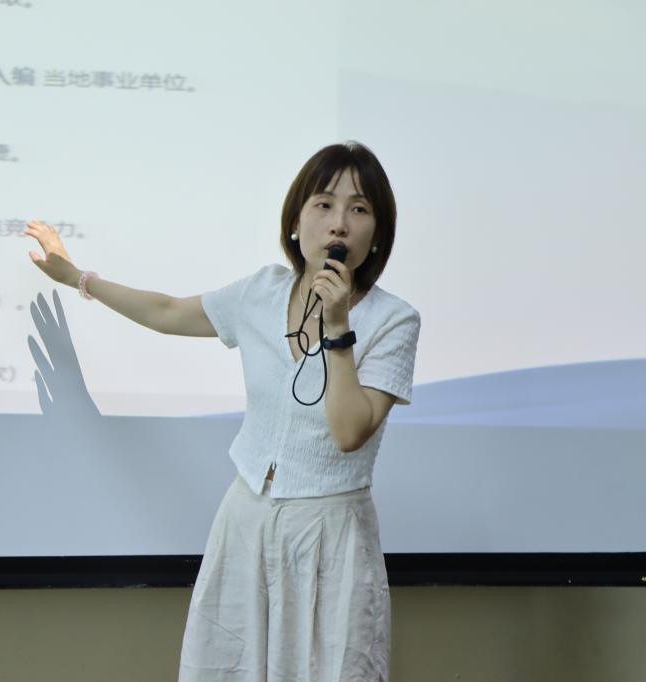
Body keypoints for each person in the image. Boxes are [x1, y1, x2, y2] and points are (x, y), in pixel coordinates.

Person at [23, 141, 420, 681]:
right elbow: (167, 312)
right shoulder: (261, 292)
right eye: (324, 204)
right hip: (245, 522)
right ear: (296, 223)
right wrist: (77, 278)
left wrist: (336, 328)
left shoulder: (394, 320)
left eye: (359, 209)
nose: (339, 224)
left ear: (376, 235)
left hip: (331, 535)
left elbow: (349, 432)